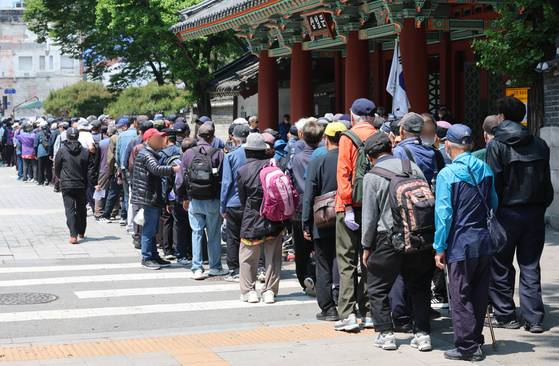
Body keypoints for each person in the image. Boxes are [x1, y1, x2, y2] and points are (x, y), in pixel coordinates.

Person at [361, 131, 434, 352]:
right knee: (419, 286)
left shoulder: (372, 176)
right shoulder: (412, 167)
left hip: (387, 238)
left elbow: (370, 216)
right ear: (390, 148)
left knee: (377, 287)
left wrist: (366, 246)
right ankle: (422, 334)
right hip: (418, 235)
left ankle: (386, 334)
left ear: (370, 156)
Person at [487, 96, 554, 333]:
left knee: (500, 264)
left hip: (506, 212)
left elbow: (494, 182)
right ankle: (534, 317)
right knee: (530, 265)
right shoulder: (539, 143)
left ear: (501, 117)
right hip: (534, 211)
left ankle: (506, 315)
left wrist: (492, 210)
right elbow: (546, 181)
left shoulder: (496, 145)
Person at [434, 124, 498, 361]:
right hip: (483, 241)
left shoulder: (446, 174)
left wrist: (439, 247)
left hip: (460, 242)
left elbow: (444, 214)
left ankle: (467, 347)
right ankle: (476, 338)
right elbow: (494, 203)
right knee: (480, 293)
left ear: (448, 145)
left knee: (460, 295)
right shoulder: (485, 169)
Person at [335, 98, 377, 331]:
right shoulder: (381, 137)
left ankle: (349, 314)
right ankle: (370, 310)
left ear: (353, 115)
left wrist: (348, 205)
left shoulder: (346, 138)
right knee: (370, 258)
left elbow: (343, 174)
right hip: (374, 208)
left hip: (349, 208)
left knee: (347, 261)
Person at [302, 122, 347, 321]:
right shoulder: (351, 159)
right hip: (348, 216)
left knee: (323, 263)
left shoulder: (319, 159)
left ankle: (328, 307)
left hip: (323, 217)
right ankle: (344, 300)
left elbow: (309, 192)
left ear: (326, 139)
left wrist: (305, 221)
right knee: (345, 261)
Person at [236, 133, 286, 304]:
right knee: (273, 256)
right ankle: (270, 291)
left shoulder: (243, 171)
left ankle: (249, 291)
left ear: (248, 151)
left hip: (252, 217)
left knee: (248, 256)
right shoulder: (274, 166)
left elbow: (243, 198)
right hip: (274, 218)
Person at [180, 122, 227, 280]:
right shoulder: (218, 153)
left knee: (196, 233)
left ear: (198, 136)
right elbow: (223, 179)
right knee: (213, 234)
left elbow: (181, 179)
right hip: (213, 199)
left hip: (194, 199)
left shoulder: (188, 153)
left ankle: (197, 267)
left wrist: (184, 198)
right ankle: (215, 267)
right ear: (212, 137)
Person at [130, 128, 181, 270]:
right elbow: (156, 169)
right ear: (149, 140)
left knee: (153, 228)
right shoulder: (146, 154)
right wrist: (173, 169)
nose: (161, 141)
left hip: (152, 195)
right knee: (149, 228)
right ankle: (147, 257)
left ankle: (153, 255)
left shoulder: (151, 153)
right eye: (158, 138)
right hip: (148, 196)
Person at [291, 120, 324, 295]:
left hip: (300, 205)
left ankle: (304, 278)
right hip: (321, 204)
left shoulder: (296, 158)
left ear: (302, 135)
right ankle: (317, 276)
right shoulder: (322, 156)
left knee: (301, 247)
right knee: (320, 245)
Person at [220, 124, 250, 282]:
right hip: (252, 202)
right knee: (252, 235)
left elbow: (226, 183)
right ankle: (256, 267)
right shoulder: (258, 153)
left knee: (233, 237)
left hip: (233, 201)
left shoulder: (230, 156)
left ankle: (235, 269)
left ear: (234, 138)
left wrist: (222, 206)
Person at [54, 128, 95, 244]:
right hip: (81, 183)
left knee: (70, 209)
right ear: (77, 137)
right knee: (81, 208)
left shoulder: (61, 151)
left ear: (67, 137)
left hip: (67, 183)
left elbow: (56, 167)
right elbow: (90, 169)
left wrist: (61, 177)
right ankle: (81, 231)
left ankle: (73, 235)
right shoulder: (85, 152)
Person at [115, 117, 138, 226]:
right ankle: (135, 221)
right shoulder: (137, 135)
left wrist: (119, 168)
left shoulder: (121, 136)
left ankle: (127, 218)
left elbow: (118, 155)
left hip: (125, 168)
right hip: (138, 168)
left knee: (127, 194)